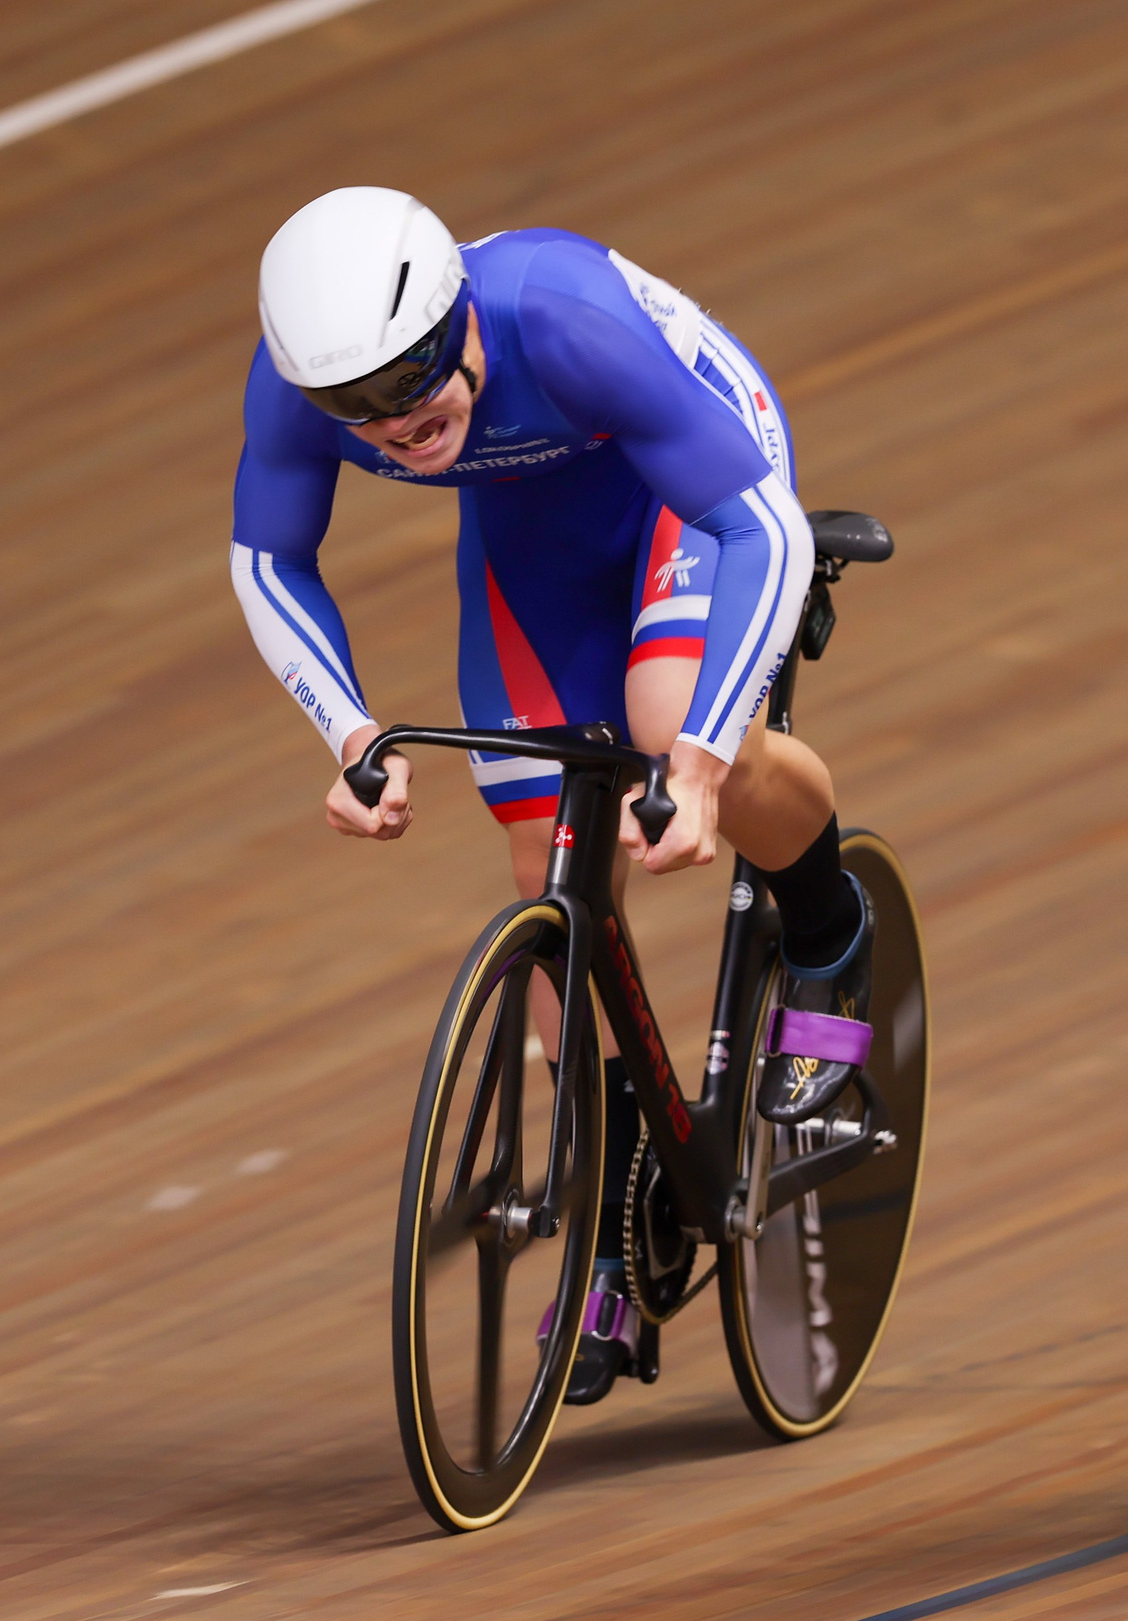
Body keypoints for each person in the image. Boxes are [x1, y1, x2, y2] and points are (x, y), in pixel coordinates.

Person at [232, 188, 872, 1402]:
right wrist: (352, 728)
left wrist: (695, 762)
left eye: (413, 375)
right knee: (547, 869)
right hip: (534, 529)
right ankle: (618, 1222)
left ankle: (830, 926)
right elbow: (267, 554)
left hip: (693, 480)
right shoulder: (298, 385)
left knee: (660, 718)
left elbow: (764, 534)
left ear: (455, 314)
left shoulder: (561, 318)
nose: (394, 421)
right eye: (353, 407)